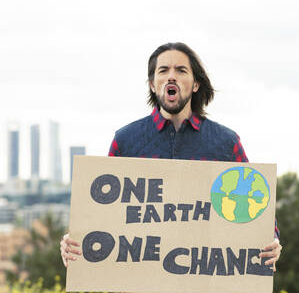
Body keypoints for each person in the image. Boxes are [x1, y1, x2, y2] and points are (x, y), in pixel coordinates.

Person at [60, 42, 282, 271]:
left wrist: (272, 239)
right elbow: (103, 214)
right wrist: (73, 242)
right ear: (153, 84)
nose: (171, 77)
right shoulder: (125, 141)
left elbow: (255, 209)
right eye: (163, 70)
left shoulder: (225, 143)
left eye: (181, 70)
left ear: (195, 84)